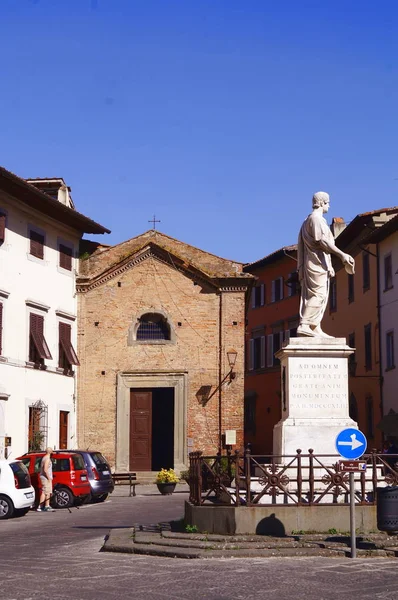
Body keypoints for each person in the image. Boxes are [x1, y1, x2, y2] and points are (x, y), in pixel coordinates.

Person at [297, 191, 355, 338]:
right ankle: (304, 324)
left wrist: (329, 265)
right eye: (328, 202)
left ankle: (315, 327)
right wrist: (342, 255)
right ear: (322, 203)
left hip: (317, 263)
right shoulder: (316, 219)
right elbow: (322, 241)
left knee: (321, 296)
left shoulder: (307, 221)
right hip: (316, 264)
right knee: (318, 295)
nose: (329, 205)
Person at [37, 447, 55, 512]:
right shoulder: (47, 459)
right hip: (45, 477)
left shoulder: (44, 458)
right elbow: (45, 469)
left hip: (43, 477)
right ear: (50, 452)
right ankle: (47, 506)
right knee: (47, 492)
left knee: (44, 492)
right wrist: (49, 478)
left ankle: (40, 506)